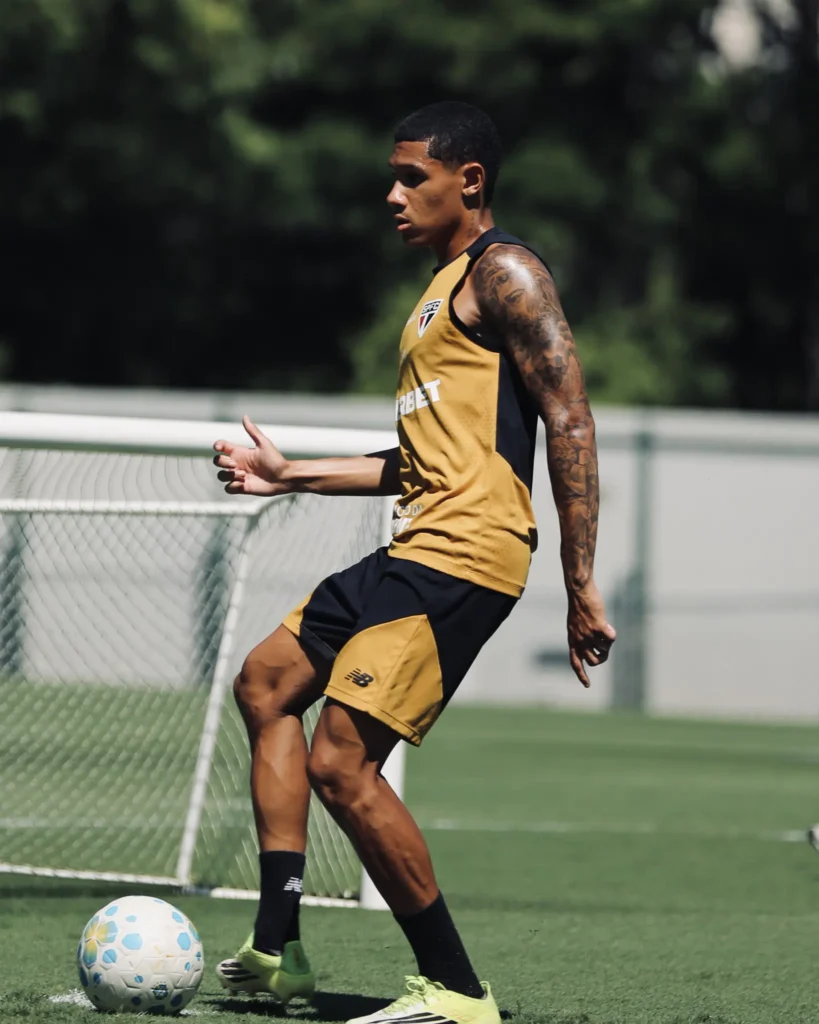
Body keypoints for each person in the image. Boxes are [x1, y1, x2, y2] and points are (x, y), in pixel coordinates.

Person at [212, 100, 616, 1024]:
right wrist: (289, 475)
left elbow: (570, 418)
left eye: (410, 178)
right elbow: (419, 462)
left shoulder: (504, 272)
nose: (391, 196)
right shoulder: (436, 296)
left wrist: (579, 581)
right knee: (266, 684)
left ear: (468, 181)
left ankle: (457, 990)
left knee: (342, 762)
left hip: (466, 554)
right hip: (415, 543)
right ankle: (277, 948)